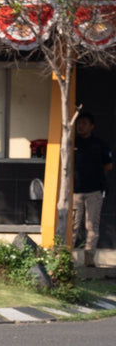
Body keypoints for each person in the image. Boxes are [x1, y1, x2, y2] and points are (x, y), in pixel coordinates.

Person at [72, 111, 112, 266]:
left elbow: (108, 166)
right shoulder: (72, 143)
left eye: (84, 123)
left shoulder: (100, 144)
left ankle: (89, 261)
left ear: (92, 126)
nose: (80, 126)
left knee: (91, 225)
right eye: (78, 123)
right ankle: (64, 259)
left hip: (95, 191)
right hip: (74, 191)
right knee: (73, 225)